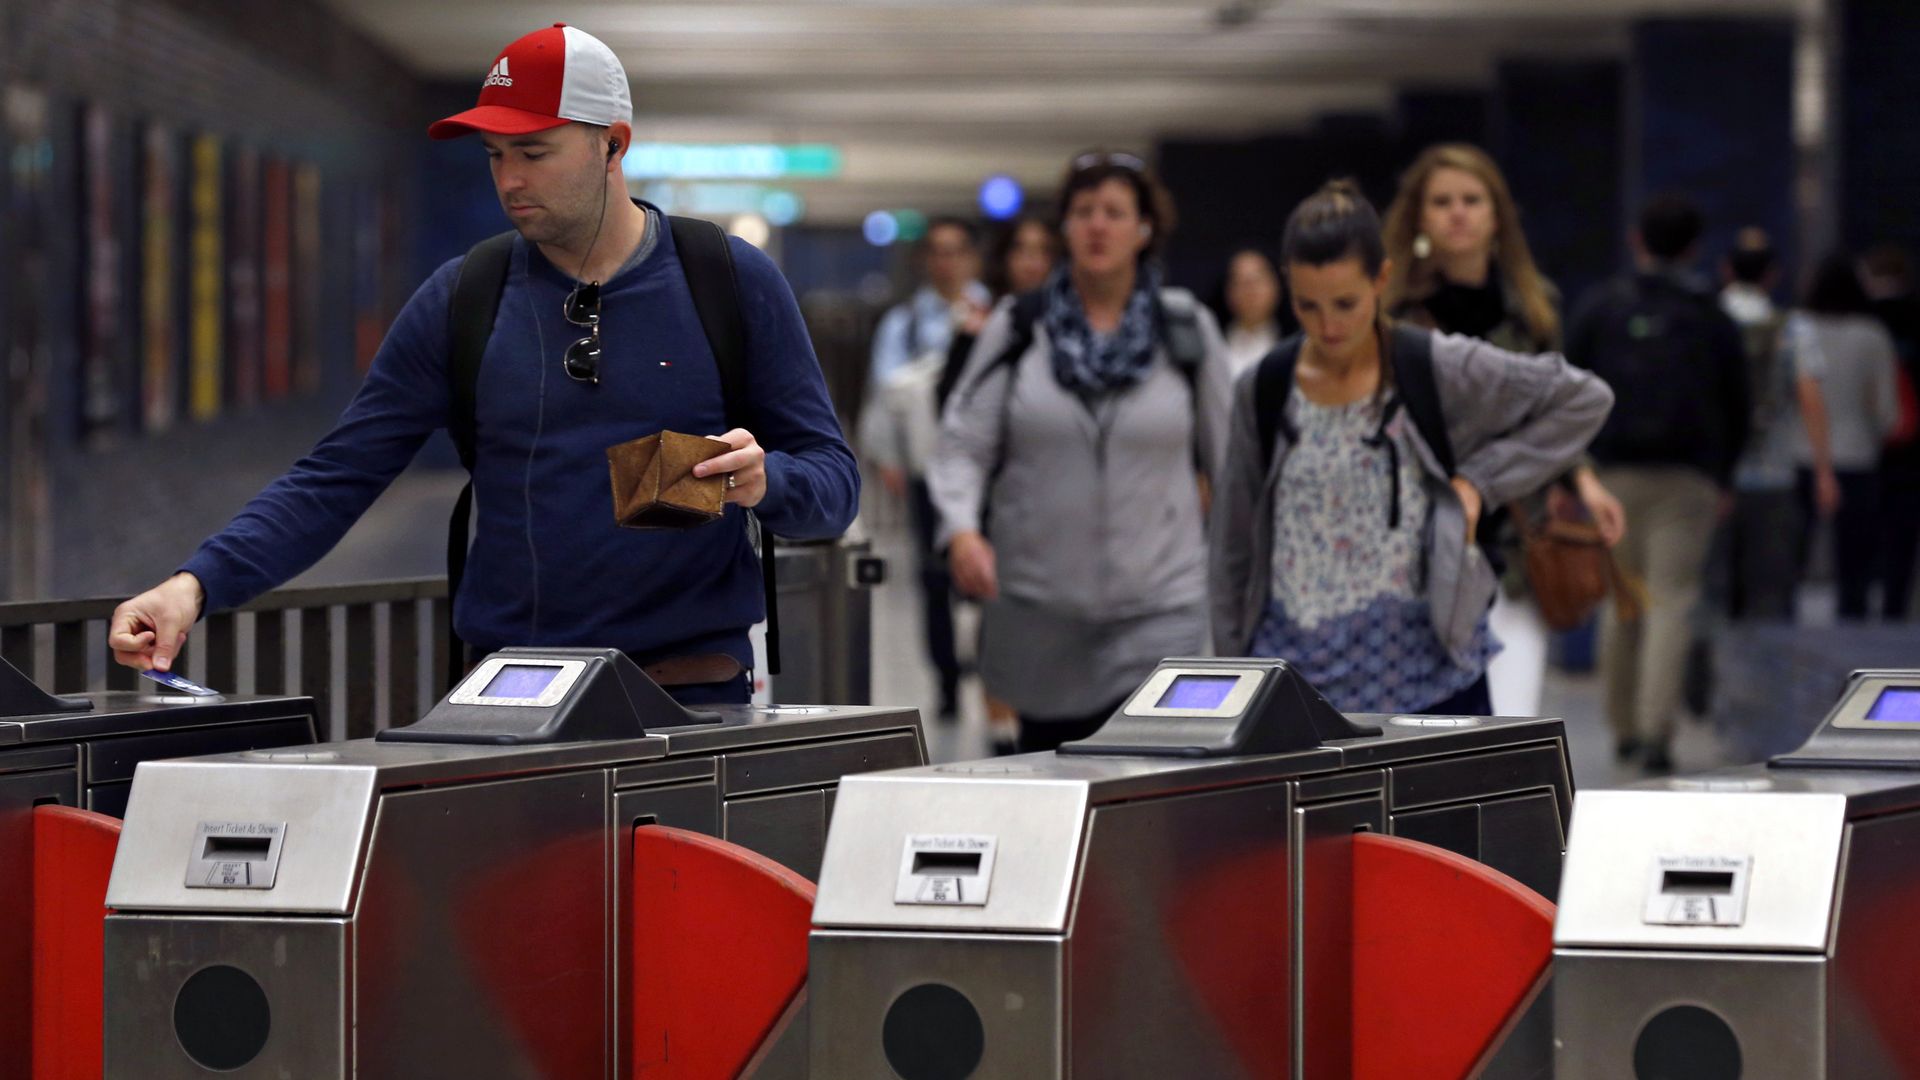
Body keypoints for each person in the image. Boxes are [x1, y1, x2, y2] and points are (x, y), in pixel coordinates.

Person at [106, 24, 858, 706]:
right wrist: (193, 587)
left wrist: (765, 481)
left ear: (612, 144)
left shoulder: (727, 282)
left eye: (534, 151)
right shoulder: (463, 297)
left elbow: (834, 485)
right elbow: (336, 476)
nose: (509, 180)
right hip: (512, 695)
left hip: (690, 693)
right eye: (495, 155)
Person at [1211, 179, 1612, 719]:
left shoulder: (1433, 364)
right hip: (1295, 681)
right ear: (1289, 286)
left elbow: (1583, 398)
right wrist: (1231, 675)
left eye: (1346, 304)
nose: (1329, 326)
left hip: (1428, 676)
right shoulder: (1264, 386)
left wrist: (1481, 482)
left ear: (1381, 279)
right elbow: (1234, 541)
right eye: (1309, 306)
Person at [932, 151, 1232, 753]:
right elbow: (964, 442)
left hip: (1159, 606)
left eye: (1116, 212)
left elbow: (1228, 462)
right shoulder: (1020, 326)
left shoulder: (1186, 329)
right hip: (1042, 611)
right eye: (1084, 211)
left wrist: (1234, 576)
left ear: (1144, 229)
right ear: (1065, 228)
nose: (1099, 225)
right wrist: (961, 530)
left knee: (1150, 786)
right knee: (1058, 778)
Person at [1381, 143, 1626, 717]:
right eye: (1441, 202)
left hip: (1516, 535)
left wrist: (1586, 482)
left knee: (1511, 715)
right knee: (1426, 723)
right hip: (1417, 538)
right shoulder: (1392, 311)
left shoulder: (1536, 305)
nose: (1457, 213)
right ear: (1419, 216)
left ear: (1497, 214)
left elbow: (1558, 411)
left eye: (1472, 200)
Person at [1566, 194, 1749, 770]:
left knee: (1623, 599)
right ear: (1694, 247)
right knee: (1672, 601)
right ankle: (1656, 731)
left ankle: (1620, 725)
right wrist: (1722, 476)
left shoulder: (1602, 307)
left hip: (1612, 475)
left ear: (1636, 240)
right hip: (1687, 478)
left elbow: (1569, 389)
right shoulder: (1710, 314)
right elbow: (1737, 402)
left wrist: (1577, 472)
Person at [934, 213, 1059, 753]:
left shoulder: (1078, 331)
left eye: (1043, 250)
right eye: (1022, 250)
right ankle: (1003, 732)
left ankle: (1044, 722)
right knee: (1000, 620)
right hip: (997, 503)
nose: (1032, 261)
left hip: (1059, 504)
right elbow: (952, 418)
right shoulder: (981, 331)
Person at [860, 217, 989, 720]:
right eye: (937, 251)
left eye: (956, 250)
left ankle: (989, 672)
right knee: (935, 579)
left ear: (972, 258)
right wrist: (890, 458)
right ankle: (947, 680)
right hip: (926, 470)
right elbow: (882, 397)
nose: (947, 261)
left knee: (987, 579)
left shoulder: (994, 314)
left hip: (986, 473)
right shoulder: (905, 324)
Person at [1718, 228, 1836, 619]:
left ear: (1727, 270)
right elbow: (1810, 399)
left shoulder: (1706, 319)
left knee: (1711, 598)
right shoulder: (1793, 326)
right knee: (1770, 596)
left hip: (1712, 480)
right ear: (1773, 275)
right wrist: (1823, 471)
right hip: (1774, 476)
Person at [1792, 254, 1902, 619]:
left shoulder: (1798, 328)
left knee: (1793, 559)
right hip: (1858, 454)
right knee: (1855, 565)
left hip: (1801, 453)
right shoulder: (1872, 335)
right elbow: (1887, 407)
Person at [1861, 244, 1920, 618]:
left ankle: (1857, 601)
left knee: (1864, 525)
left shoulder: (1862, 321)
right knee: (1903, 528)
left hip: (1863, 439)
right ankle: (1895, 604)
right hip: (1913, 440)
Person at [1216, 247, 1285, 377]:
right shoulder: (1214, 342)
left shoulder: (1296, 342)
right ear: (1227, 291)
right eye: (1240, 282)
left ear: (1276, 286)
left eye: (1257, 280)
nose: (1250, 290)